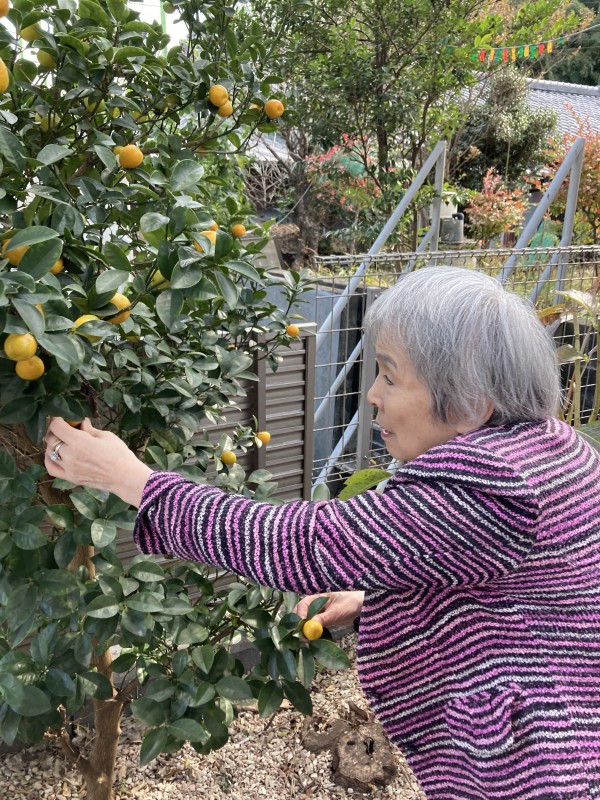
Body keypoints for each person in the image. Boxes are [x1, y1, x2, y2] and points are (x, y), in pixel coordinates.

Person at [44, 266, 600, 800]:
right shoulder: (555, 451)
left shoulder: (493, 486)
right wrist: (371, 598)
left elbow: (299, 543)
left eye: (389, 375)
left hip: (534, 773)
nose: (373, 394)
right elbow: (513, 590)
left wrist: (130, 479)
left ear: (472, 404)